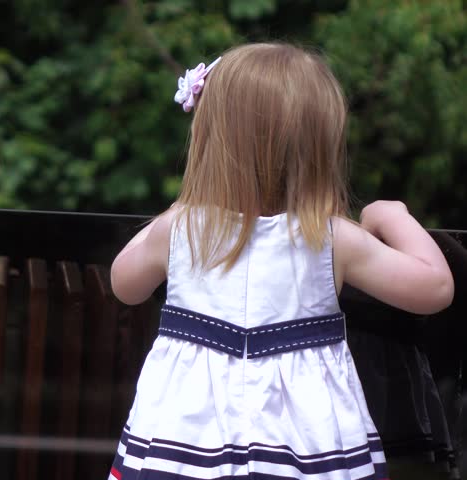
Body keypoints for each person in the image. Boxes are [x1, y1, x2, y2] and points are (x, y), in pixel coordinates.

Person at [107, 43, 455, 480]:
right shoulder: (329, 239)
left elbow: (124, 282)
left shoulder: (180, 233)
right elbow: (435, 289)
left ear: (208, 140)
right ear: (322, 147)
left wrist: (179, 210)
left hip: (183, 451)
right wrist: (392, 215)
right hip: (307, 453)